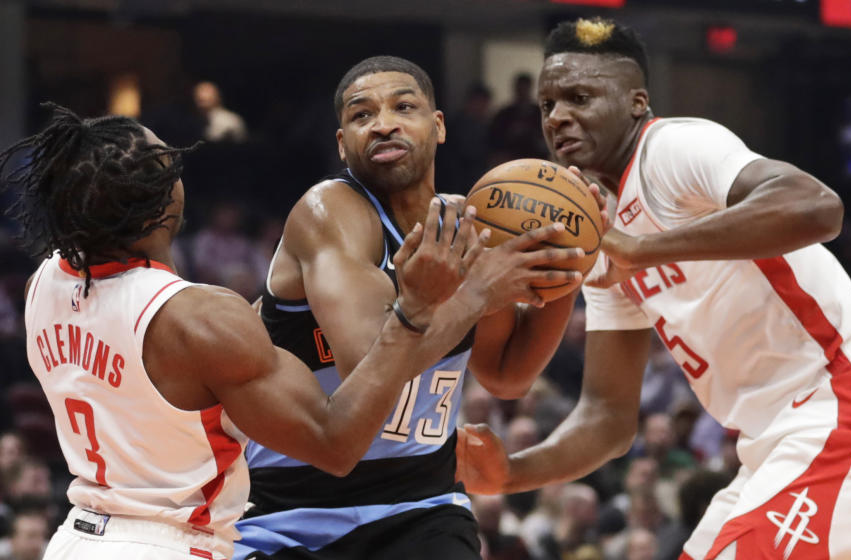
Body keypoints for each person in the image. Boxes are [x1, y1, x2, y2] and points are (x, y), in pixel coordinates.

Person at [457, 17, 851, 560]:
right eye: (547, 105)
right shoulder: (597, 234)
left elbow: (817, 206)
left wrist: (641, 249)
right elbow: (607, 418)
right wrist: (510, 473)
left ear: (636, 103)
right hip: (777, 443)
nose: (559, 118)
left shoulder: (673, 148)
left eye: (579, 97)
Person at [0, 104, 517, 560]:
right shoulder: (199, 319)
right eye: (170, 164)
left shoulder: (43, 283)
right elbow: (336, 445)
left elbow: (166, 362)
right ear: (164, 200)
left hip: (78, 538)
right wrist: (432, 306)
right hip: (171, 543)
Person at [234, 56, 601, 560]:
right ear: (343, 145)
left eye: (404, 106)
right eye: (361, 115)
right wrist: (476, 295)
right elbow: (369, 366)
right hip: (291, 509)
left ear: (439, 126)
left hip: (421, 503)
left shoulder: (470, 221)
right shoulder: (329, 213)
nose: (383, 122)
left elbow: (507, 374)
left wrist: (565, 263)